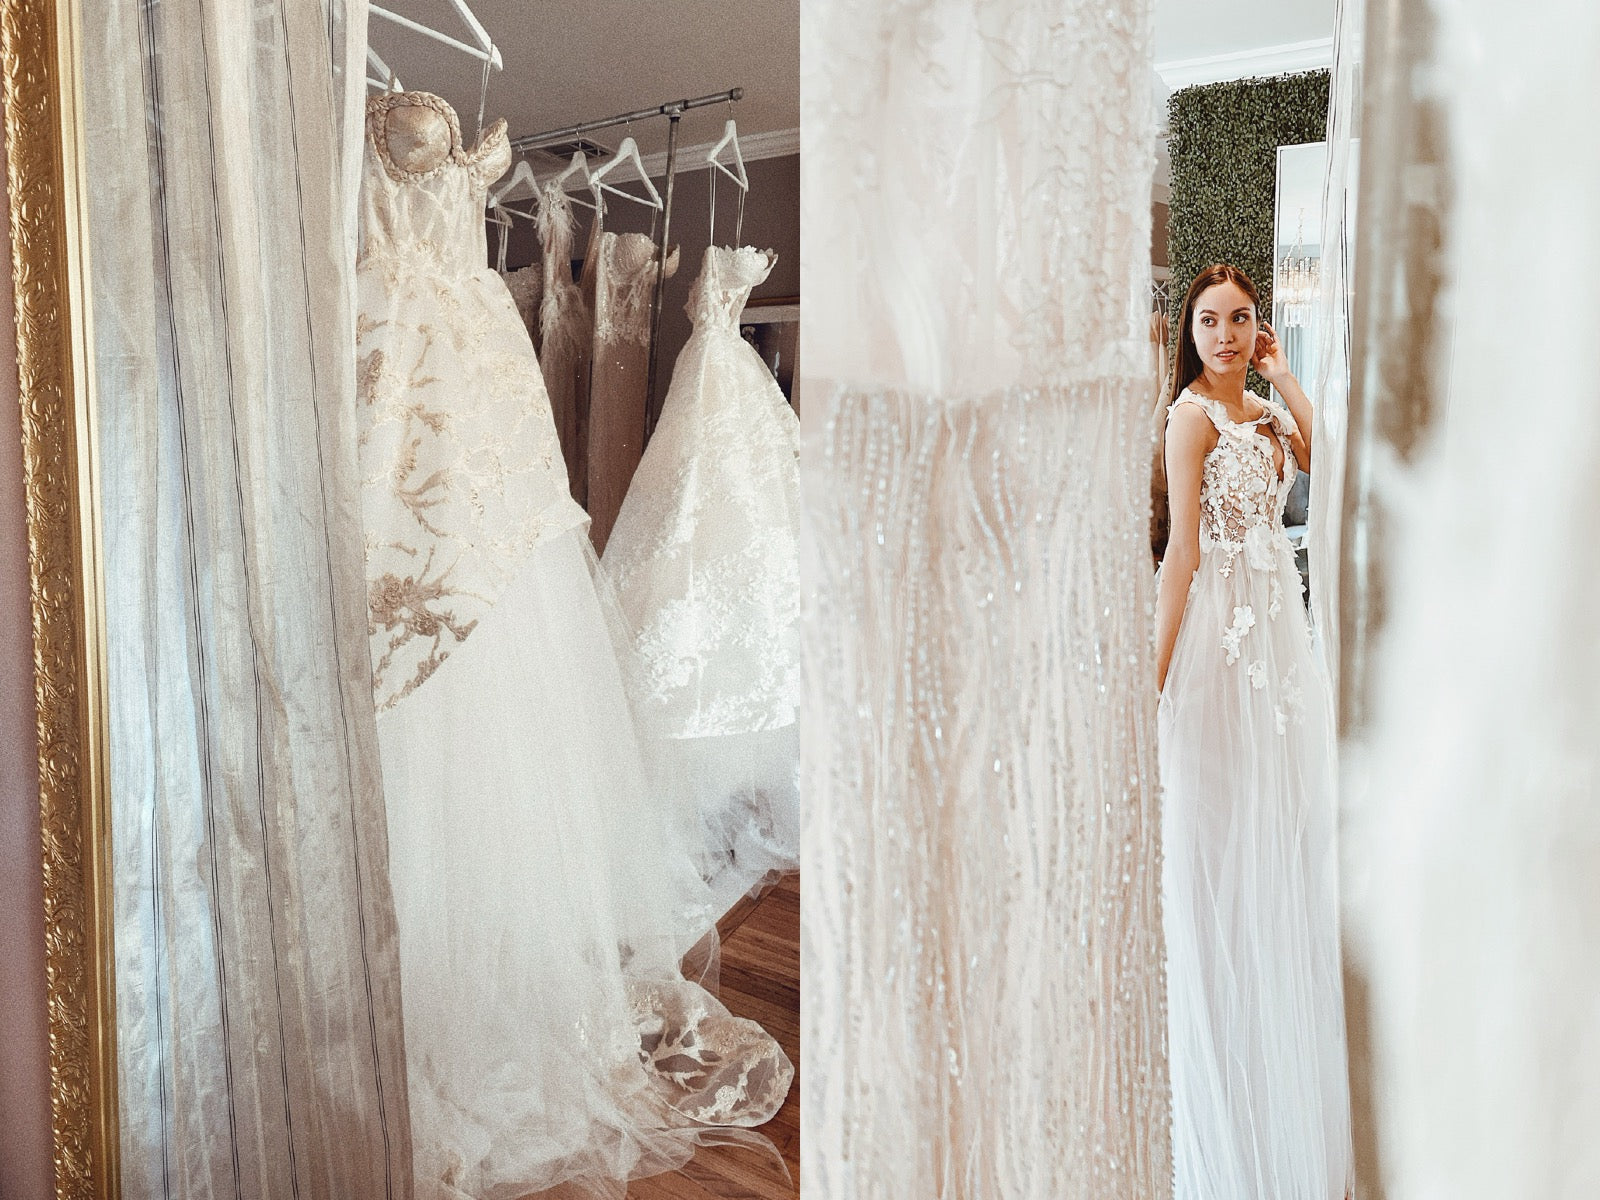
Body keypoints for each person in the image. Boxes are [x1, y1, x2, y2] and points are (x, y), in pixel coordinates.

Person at [1155, 263, 1354, 1199]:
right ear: (1188, 332)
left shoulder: (1267, 415)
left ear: (1258, 327)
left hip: (1281, 651)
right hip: (1218, 657)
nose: (1226, 336)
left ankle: (1271, 1014)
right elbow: (1181, 555)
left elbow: (1328, 460)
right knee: (1218, 842)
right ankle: (1224, 1040)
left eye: (1240, 321)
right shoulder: (1189, 417)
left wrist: (1283, 377)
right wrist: (1149, 687)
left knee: (1281, 840)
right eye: (1210, 321)